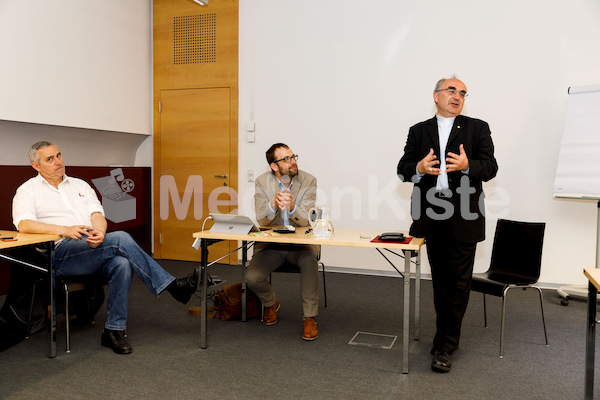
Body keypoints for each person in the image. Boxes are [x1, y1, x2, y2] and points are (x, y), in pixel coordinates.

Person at [12, 141, 198, 355]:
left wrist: (100, 232)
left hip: (91, 247)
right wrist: (63, 229)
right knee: (121, 238)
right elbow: (24, 224)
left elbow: (97, 215)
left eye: (59, 155)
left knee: (121, 263)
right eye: (50, 159)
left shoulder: (80, 185)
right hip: (60, 253)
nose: (58, 162)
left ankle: (112, 331)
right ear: (36, 166)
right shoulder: (27, 190)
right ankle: (173, 287)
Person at [397, 77, 498, 372]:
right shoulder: (419, 131)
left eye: (462, 93)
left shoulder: (477, 128)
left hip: (464, 214)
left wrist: (468, 166)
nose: (458, 96)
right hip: (432, 214)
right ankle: (445, 335)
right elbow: (403, 169)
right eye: (452, 91)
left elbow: (490, 167)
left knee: (458, 282)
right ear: (436, 96)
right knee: (441, 281)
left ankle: (444, 345)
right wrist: (419, 168)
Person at [246, 143, 320, 340]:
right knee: (252, 277)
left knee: (310, 263)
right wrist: (273, 204)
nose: (293, 161)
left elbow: (306, 220)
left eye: (293, 156)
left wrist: (293, 207)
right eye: (286, 159)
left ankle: (310, 317)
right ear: (274, 166)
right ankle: (271, 303)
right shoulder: (262, 182)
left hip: (301, 246)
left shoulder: (309, 180)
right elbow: (262, 219)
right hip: (272, 246)